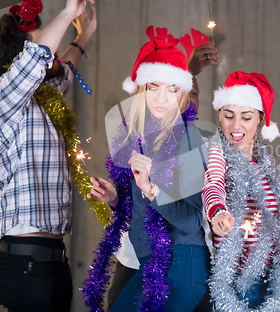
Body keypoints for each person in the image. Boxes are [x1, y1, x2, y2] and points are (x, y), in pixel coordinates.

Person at [0, 0, 96, 312]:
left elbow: (64, 70)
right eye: (45, 39)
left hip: (52, 263)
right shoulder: (1, 101)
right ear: (20, 54)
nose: (53, 49)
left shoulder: (40, 100)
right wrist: (68, 11)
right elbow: (37, 58)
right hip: (25, 263)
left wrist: (84, 36)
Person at [84, 39, 210, 312]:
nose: (161, 98)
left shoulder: (188, 138)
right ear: (141, 90)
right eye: (153, 88)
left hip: (182, 263)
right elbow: (140, 206)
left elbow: (190, 221)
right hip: (151, 263)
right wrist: (115, 197)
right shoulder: (139, 138)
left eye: (172, 89)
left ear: (183, 93)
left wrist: (151, 188)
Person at [202, 71, 280, 312]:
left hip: (270, 283)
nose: (236, 126)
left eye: (245, 117)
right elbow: (213, 184)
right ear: (219, 116)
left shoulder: (263, 163)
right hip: (237, 283)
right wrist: (218, 212)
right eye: (228, 116)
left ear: (260, 119)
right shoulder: (217, 152)